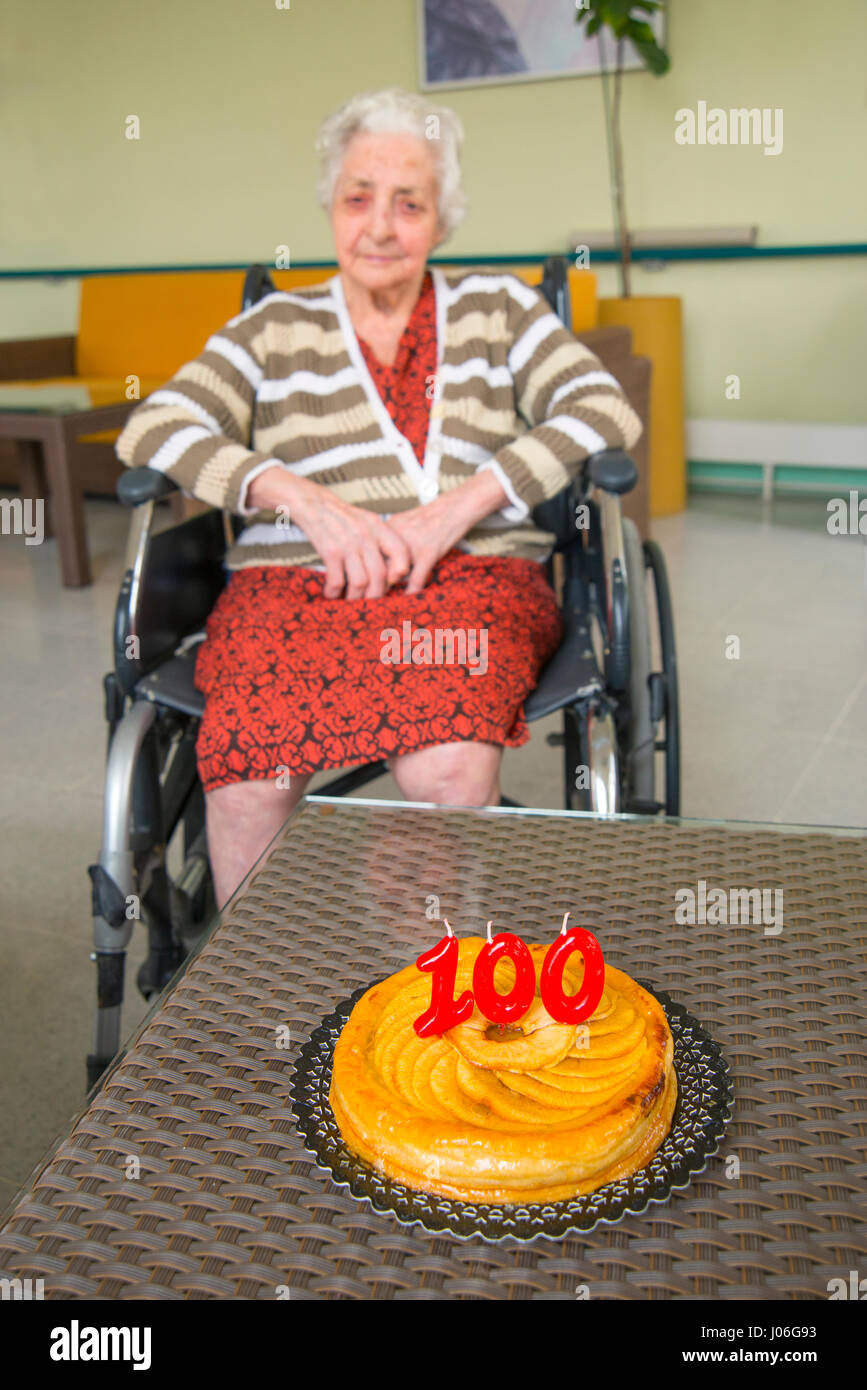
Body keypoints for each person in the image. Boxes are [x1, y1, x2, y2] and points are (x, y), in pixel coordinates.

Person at [115, 86, 642, 907]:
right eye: (358, 198)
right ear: (330, 204)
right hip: (297, 583)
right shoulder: (274, 329)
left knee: (445, 765)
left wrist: (458, 506)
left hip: (467, 578)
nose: (381, 226)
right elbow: (155, 427)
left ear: (443, 216)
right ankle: (255, 991)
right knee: (251, 772)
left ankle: (438, 993)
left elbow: (599, 408)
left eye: (410, 202)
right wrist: (298, 497)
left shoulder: (499, 308)